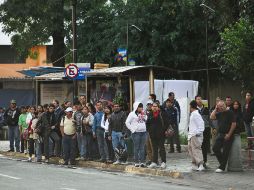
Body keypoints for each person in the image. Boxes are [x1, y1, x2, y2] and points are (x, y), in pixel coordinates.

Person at [210, 100, 236, 173]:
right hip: (220, 134)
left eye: (222, 106)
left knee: (225, 151)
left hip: (228, 135)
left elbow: (234, 124)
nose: (221, 107)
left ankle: (222, 167)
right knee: (215, 148)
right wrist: (215, 109)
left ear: (225, 105)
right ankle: (223, 163)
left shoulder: (230, 112)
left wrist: (229, 134)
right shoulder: (219, 113)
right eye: (219, 106)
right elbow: (211, 117)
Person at [146, 102, 170, 169]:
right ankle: (154, 162)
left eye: (156, 106)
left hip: (161, 135)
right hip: (153, 135)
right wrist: (149, 131)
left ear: (158, 107)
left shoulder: (162, 113)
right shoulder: (150, 114)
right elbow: (147, 123)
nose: (154, 107)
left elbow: (167, 123)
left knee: (161, 148)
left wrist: (163, 131)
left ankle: (163, 162)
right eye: (153, 106)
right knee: (154, 148)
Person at [126, 102, 147, 167]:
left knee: (142, 147)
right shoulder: (132, 114)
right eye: (139, 107)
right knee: (136, 147)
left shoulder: (143, 113)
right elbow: (127, 122)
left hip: (143, 132)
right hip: (136, 133)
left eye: (141, 107)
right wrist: (132, 130)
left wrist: (143, 115)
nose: (141, 108)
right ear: (136, 107)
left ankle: (142, 162)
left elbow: (146, 120)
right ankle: (136, 162)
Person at [188, 100, 205, 171]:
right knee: (191, 150)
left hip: (195, 135)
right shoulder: (193, 114)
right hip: (191, 135)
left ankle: (201, 165)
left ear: (191, 106)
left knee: (196, 150)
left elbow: (201, 126)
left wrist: (196, 133)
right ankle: (194, 164)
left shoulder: (196, 114)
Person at [195, 95, 210, 168]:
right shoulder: (194, 110)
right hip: (197, 130)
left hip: (206, 129)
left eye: (200, 99)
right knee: (198, 146)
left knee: (204, 146)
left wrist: (212, 127)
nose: (199, 100)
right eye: (198, 99)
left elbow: (209, 119)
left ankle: (204, 161)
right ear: (195, 100)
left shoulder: (206, 109)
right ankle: (198, 161)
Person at [145, 100, 153, 165]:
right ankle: (150, 159)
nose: (149, 106)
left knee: (153, 147)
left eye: (150, 104)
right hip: (146, 131)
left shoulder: (155, 112)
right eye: (148, 104)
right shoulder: (144, 113)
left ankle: (155, 160)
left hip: (153, 132)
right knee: (148, 147)